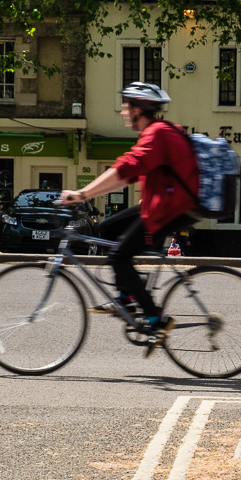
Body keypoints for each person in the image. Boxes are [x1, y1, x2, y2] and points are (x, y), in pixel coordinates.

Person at [57, 81, 199, 355]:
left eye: (126, 106)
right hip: (163, 204)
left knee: (119, 257)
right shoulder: (156, 133)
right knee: (106, 228)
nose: (123, 112)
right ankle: (127, 297)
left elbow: (126, 168)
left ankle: (155, 318)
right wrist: (86, 195)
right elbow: (127, 176)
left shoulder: (157, 134)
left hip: (170, 209)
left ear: (138, 109)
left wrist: (82, 193)